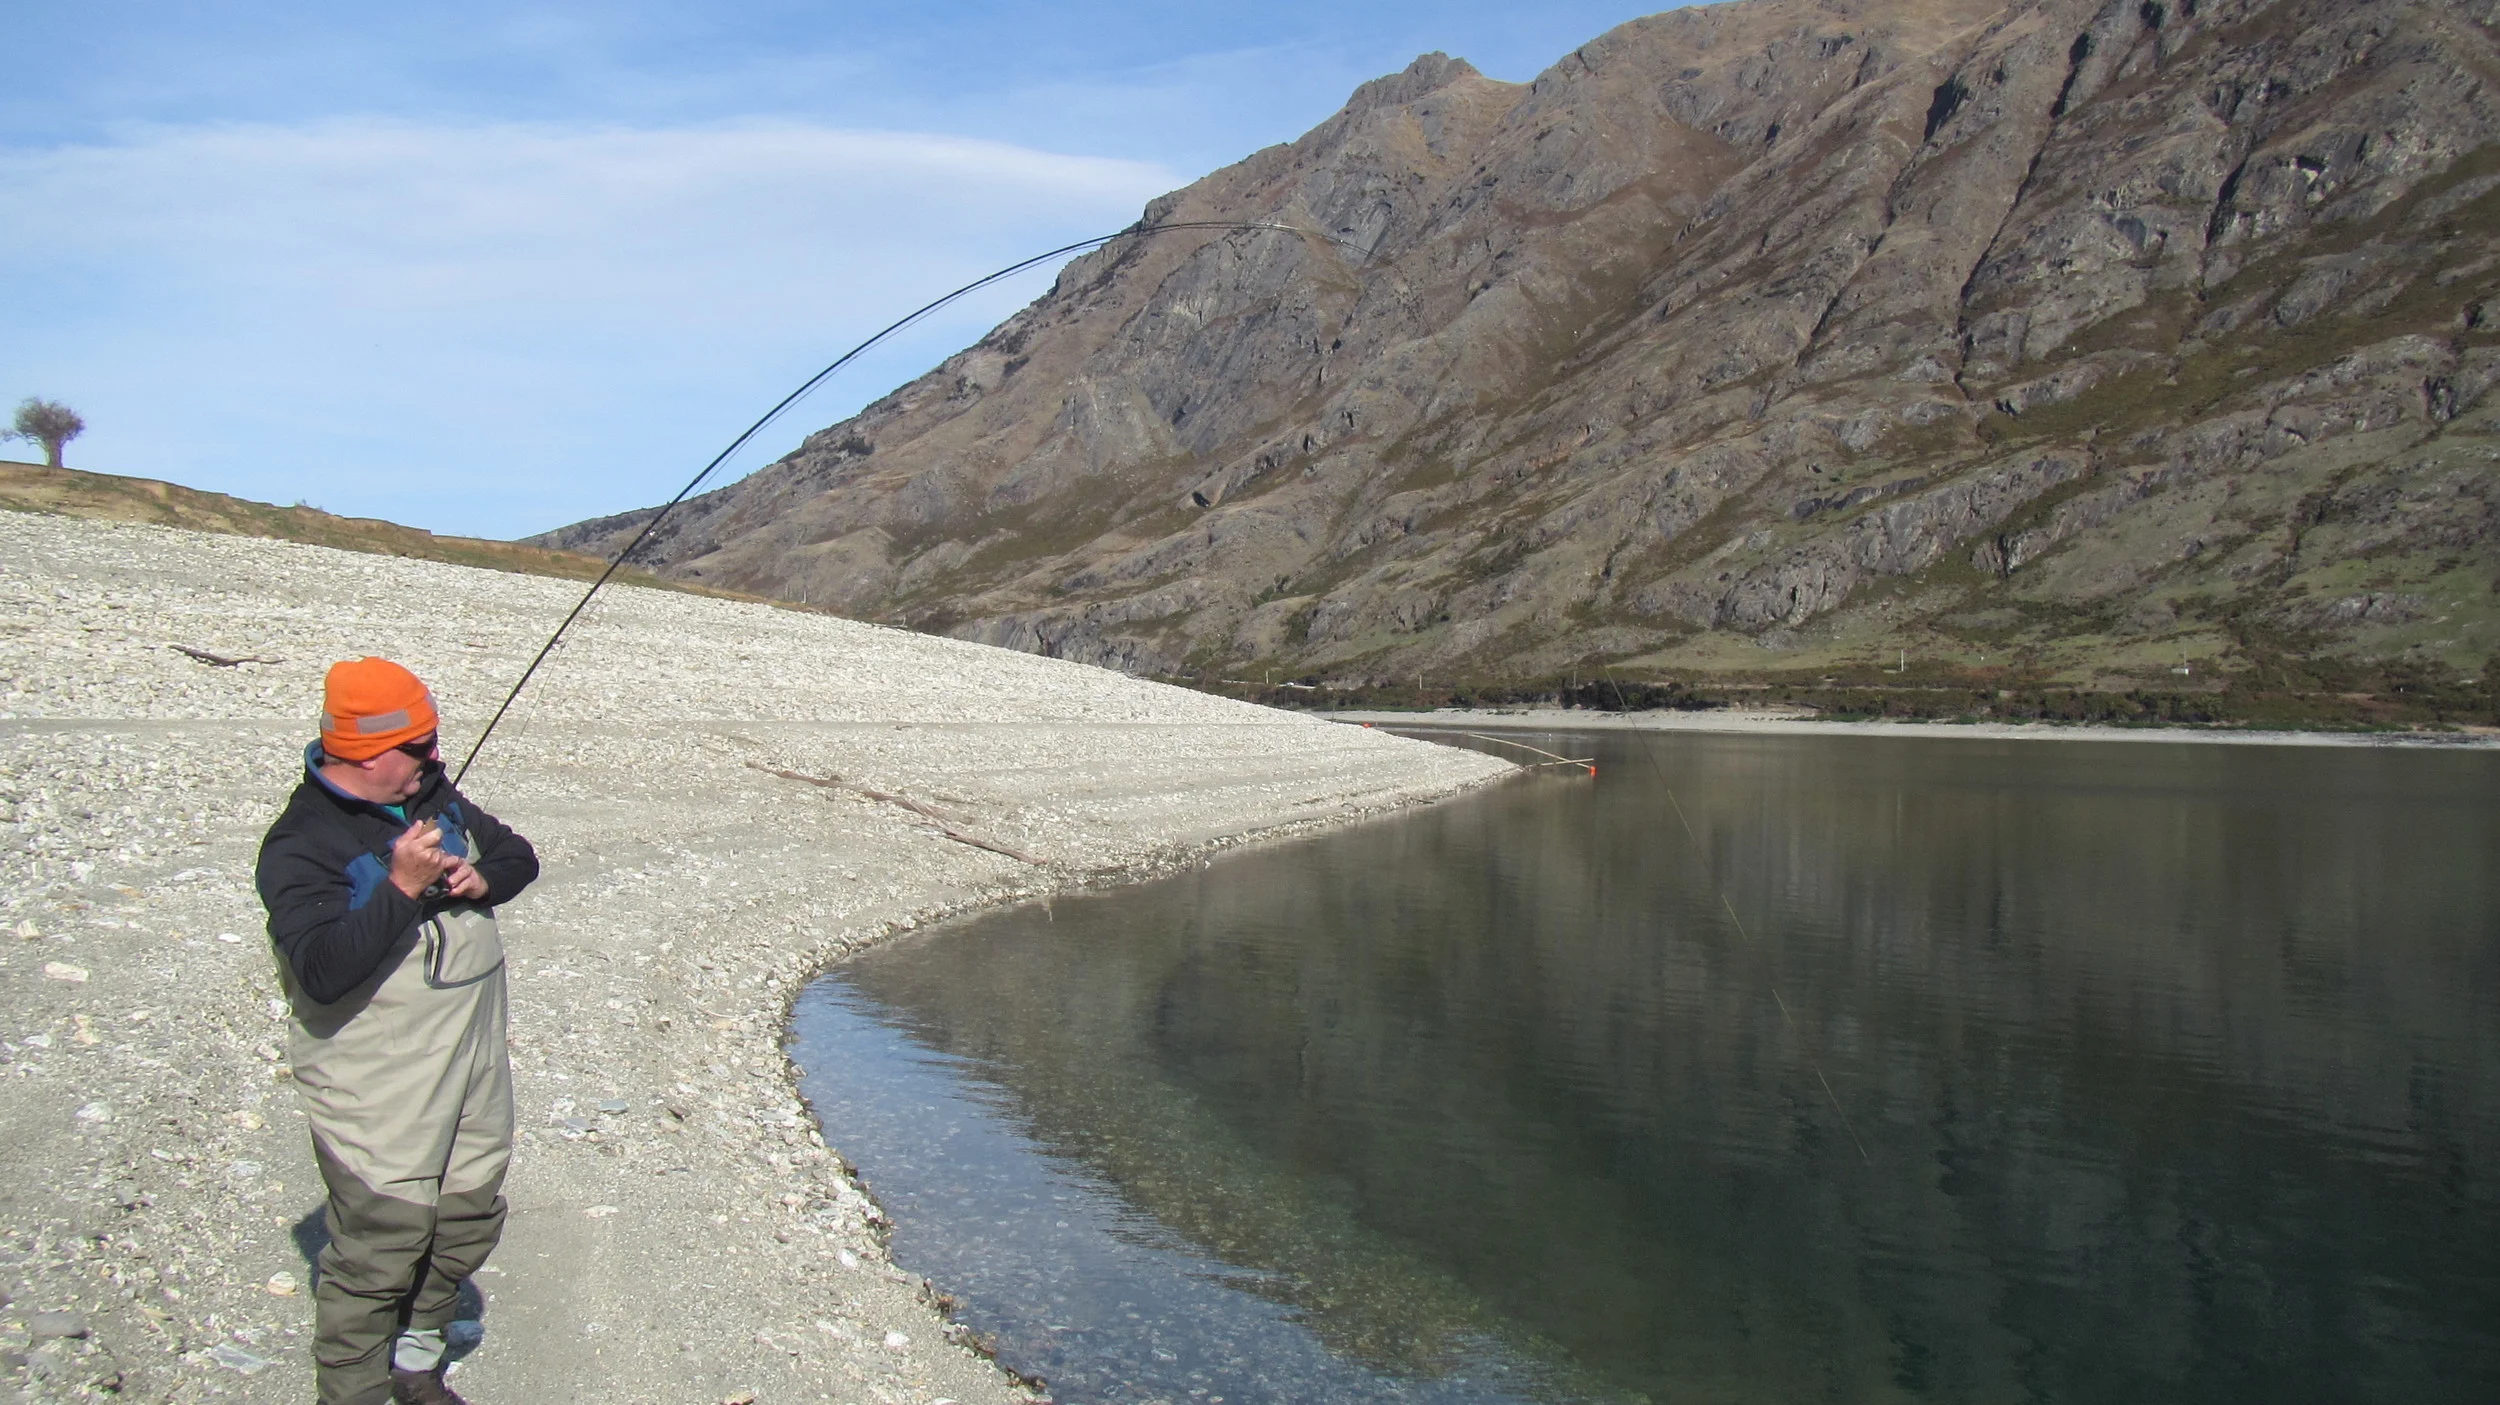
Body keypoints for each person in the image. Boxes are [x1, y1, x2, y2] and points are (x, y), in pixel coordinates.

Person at [256, 658, 539, 1405]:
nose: (435, 759)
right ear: (369, 752)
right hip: (379, 1083)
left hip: (471, 1068)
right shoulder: (300, 844)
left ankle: (417, 1364)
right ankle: (351, 1393)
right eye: (421, 747)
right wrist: (403, 887)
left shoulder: (433, 795)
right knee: (380, 1248)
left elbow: (518, 855)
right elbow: (321, 969)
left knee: (467, 1218)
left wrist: (482, 880)